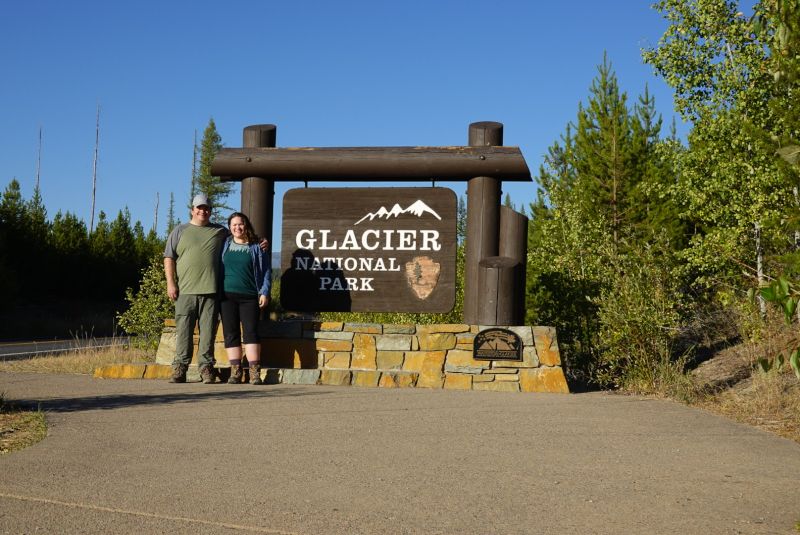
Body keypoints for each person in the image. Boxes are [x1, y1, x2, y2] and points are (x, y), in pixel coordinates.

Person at [164, 194, 228, 384]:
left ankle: (206, 368)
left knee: (207, 333)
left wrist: (261, 241)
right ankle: (179, 368)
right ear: (192, 210)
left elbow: (242, 237)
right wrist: (171, 283)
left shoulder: (220, 231)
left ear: (210, 211)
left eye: (206, 208)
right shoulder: (180, 231)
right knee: (184, 332)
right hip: (185, 291)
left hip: (211, 291)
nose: (203, 211)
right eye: (199, 208)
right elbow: (169, 257)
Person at [220, 212, 271, 385]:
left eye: (240, 224)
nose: (237, 227)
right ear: (229, 227)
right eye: (233, 225)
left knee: (251, 332)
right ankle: (236, 371)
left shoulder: (257, 246)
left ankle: (254, 371)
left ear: (246, 225)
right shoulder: (225, 243)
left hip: (250, 296)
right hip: (226, 296)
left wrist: (264, 291)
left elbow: (265, 271)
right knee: (231, 333)